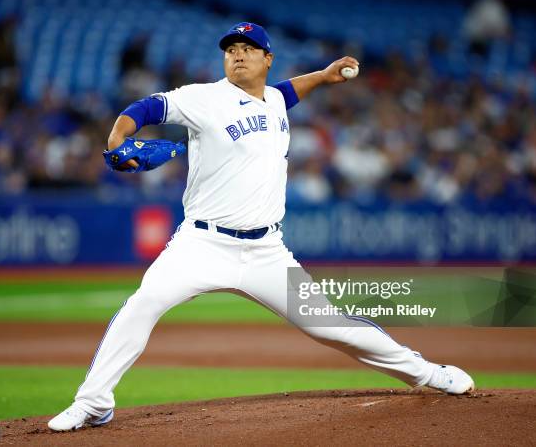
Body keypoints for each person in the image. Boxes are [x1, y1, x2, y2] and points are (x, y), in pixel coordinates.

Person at [48, 22, 474, 431]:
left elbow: (286, 93)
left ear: (267, 58)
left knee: (330, 326)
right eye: (231, 51)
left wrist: (323, 77)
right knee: (143, 305)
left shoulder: (273, 99)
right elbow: (146, 108)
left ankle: (426, 373)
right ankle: (93, 403)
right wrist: (118, 137)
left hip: (266, 252)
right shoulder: (204, 98)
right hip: (201, 244)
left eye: (247, 50)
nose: (237, 56)